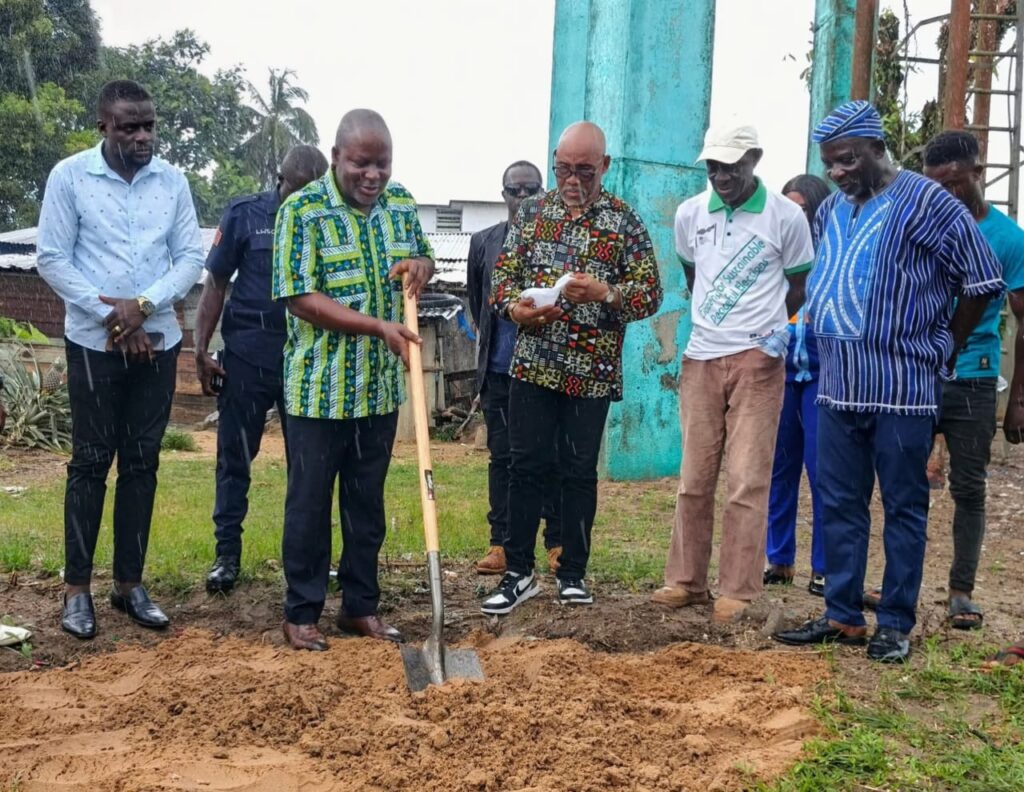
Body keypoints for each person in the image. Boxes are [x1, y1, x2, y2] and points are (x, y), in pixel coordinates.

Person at [772, 101, 1002, 663]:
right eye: (831, 164)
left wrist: (946, 342)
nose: (840, 172)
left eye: (849, 160)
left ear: (877, 147)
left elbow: (983, 280)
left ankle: (895, 623)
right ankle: (843, 615)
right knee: (838, 503)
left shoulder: (927, 202)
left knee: (904, 507)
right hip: (836, 386)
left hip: (902, 388)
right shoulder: (830, 213)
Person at [36, 79, 205, 639]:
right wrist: (114, 316)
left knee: (141, 463)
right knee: (88, 462)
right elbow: (52, 258)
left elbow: (189, 259)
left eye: (148, 125)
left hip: (157, 342)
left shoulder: (173, 181)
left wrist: (145, 306)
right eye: (129, 126)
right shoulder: (70, 177)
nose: (142, 136)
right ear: (103, 126)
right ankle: (76, 590)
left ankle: (130, 584)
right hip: (93, 343)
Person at [483, 121, 662, 614]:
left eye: (585, 170)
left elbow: (651, 295)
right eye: (564, 168)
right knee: (525, 467)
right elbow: (502, 283)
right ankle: (518, 573)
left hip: (592, 373)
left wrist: (606, 292)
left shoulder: (625, 222)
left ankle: (573, 573)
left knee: (579, 472)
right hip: (534, 366)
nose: (573, 179)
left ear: (604, 166)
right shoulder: (532, 214)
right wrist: (516, 310)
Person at [272, 108, 434, 651]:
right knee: (310, 505)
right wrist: (375, 326)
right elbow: (299, 297)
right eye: (361, 164)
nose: (373, 176)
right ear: (336, 155)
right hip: (319, 390)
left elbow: (421, 257)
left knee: (366, 505)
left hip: (379, 389)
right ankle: (302, 612)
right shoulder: (301, 211)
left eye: (382, 165)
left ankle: (360, 607)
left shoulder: (402, 204)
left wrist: (420, 268)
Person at [651, 124, 814, 624]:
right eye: (713, 166)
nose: (721, 175)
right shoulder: (689, 215)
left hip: (758, 362)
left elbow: (798, 287)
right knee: (694, 477)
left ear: (754, 159)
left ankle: (739, 588)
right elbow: (694, 277)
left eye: (731, 165)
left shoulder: (786, 218)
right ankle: (685, 580)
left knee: (747, 478)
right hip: (701, 358)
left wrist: (767, 337)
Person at [196, 145, 328, 594]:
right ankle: (226, 556)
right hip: (249, 356)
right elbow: (215, 283)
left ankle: (308, 562)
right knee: (234, 459)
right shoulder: (245, 215)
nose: (304, 199)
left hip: (308, 359)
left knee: (309, 466)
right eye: (297, 189)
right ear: (280, 178)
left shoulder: (328, 217)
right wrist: (201, 348)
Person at [916, 131, 1024, 628]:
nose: (946, 195)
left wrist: (1017, 401)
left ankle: (961, 591)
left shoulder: (1008, 238)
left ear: (977, 174)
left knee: (970, 488)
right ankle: (902, 582)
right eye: (936, 186)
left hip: (975, 377)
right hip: (917, 373)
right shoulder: (921, 229)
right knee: (902, 483)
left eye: (955, 183)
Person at [467, 160, 562, 576]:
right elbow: (477, 302)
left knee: (550, 457)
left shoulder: (559, 242)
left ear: (544, 193)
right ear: (502, 194)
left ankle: (556, 542)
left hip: (546, 371)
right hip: (500, 371)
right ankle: (500, 544)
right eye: (515, 190)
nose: (523, 198)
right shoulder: (484, 243)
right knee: (502, 458)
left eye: (531, 190)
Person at [764, 174, 832, 598]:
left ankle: (824, 567)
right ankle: (779, 559)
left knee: (823, 472)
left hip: (824, 374)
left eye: (803, 208)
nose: (795, 215)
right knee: (779, 468)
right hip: (782, 371)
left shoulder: (834, 252)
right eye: (789, 207)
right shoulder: (777, 251)